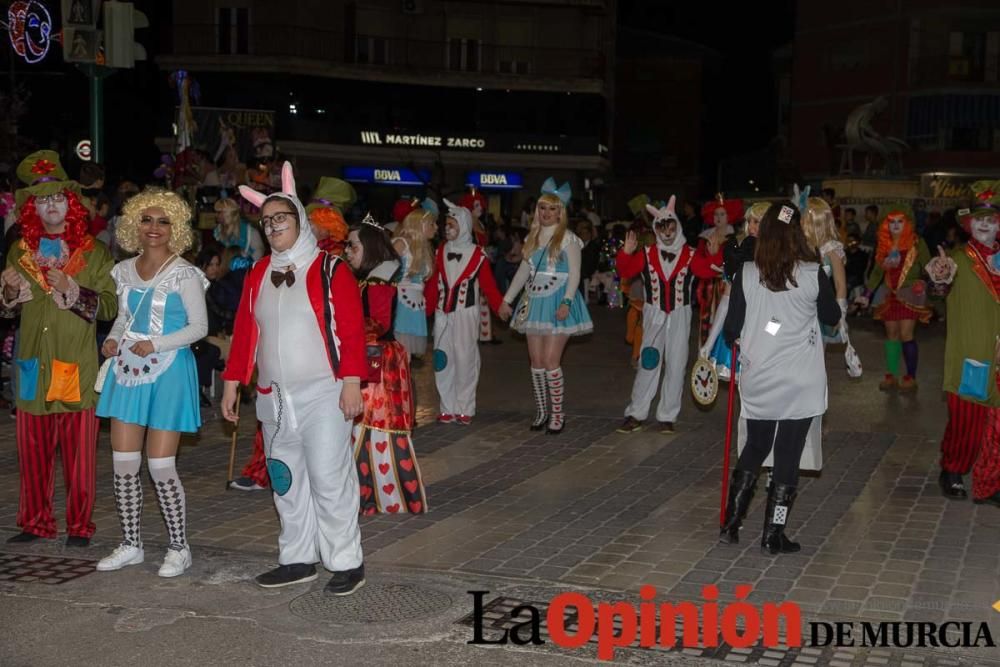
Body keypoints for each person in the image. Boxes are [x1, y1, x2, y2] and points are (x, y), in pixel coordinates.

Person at [221, 162, 367, 594]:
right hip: (274, 397)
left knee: (328, 476)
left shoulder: (331, 269)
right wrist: (233, 381)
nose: (272, 227)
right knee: (285, 479)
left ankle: (345, 561)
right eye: (266, 222)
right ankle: (297, 558)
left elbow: (352, 331)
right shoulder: (257, 273)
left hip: (324, 392)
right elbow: (247, 332)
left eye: (280, 218)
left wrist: (352, 382)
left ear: (299, 219)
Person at [1, 151, 117, 546]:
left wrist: (75, 291)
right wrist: (9, 293)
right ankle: (35, 522)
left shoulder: (94, 251)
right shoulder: (19, 252)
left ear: (70, 202)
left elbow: (111, 306)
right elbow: (7, 307)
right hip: (33, 363)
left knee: (79, 456)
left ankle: (80, 526)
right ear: (32, 208)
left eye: (57, 197)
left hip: (74, 365)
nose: (50, 205)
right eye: (41, 199)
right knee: (32, 452)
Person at [94, 189, 208, 577]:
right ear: (134, 225)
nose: (154, 227)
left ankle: (179, 547)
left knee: (161, 466)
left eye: (163, 221)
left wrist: (155, 343)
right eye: (146, 219)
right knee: (123, 464)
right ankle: (131, 544)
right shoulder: (123, 270)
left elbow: (199, 327)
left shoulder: (185, 273)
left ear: (175, 228)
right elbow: (126, 317)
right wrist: (113, 337)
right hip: (128, 371)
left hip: (170, 372)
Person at [720, 203, 841, 553]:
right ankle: (773, 535)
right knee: (788, 454)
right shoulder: (811, 271)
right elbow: (831, 315)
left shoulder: (745, 272)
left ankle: (732, 523)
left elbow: (732, 329)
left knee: (755, 446)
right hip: (801, 378)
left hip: (760, 376)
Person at [345, 217, 427, 514]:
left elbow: (377, 324)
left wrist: (343, 330)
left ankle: (378, 496)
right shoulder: (368, 278)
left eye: (352, 245)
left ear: (368, 247)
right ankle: (366, 493)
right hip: (370, 356)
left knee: (374, 424)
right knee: (363, 427)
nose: (347, 251)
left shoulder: (380, 280)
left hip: (379, 361)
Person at [498, 179, 593, 434]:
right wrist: (507, 299)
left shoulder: (569, 240)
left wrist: (567, 301)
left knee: (551, 360)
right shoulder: (533, 237)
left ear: (561, 212)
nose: (547, 213)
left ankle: (558, 414)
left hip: (558, 299)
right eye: (543, 208)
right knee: (536, 360)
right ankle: (541, 410)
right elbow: (523, 272)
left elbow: (575, 274)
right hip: (534, 300)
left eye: (552, 209)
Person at [925, 182, 1000, 503]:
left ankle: (991, 481)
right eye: (980, 218)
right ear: (969, 224)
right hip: (972, 354)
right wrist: (939, 279)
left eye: (992, 218)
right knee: (967, 418)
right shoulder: (956, 258)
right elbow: (939, 288)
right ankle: (952, 470)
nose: (985, 223)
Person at [615, 197, 716, 434]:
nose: (667, 233)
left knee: (677, 364)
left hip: (680, 314)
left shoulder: (691, 254)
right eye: (662, 228)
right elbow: (626, 271)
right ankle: (636, 413)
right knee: (648, 362)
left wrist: (713, 255)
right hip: (654, 314)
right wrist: (626, 253)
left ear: (677, 227)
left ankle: (668, 415)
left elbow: (708, 270)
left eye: (671, 227)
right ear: (656, 230)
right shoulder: (647, 253)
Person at [425, 199, 505, 425]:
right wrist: (426, 309)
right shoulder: (440, 251)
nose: (447, 228)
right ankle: (446, 407)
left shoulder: (477, 254)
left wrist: (500, 307)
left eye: (452, 224)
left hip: (466, 314)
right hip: (443, 315)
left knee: (466, 359)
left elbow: (489, 286)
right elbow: (433, 284)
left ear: (464, 226)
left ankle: (465, 407)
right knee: (442, 360)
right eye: (446, 224)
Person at [855, 205, 932, 392]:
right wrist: (866, 294)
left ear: (907, 223)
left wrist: (924, 282)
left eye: (900, 221)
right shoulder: (884, 244)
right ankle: (891, 376)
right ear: (885, 225)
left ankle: (911, 377)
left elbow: (929, 266)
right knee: (891, 336)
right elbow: (876, 273)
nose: (896, 225)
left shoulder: (917, 242)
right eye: (892, 222)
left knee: (906, 335)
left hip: (911, 293)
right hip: (890, 294)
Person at [698, 202, 771, 381]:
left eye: (758, 222)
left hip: (771, 331)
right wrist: (709, 341)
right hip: (743, 327)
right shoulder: (740, 255)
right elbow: (726, 301)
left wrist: (770, 335)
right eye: (750, 222)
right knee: (746, 390)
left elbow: (784, 307)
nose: (752, 227)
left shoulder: (782, 258)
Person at [693, 195, 743, 345]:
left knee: (724, 323)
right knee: (707, 326)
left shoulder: (736, 238)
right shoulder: (704, 238)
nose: (718, 217)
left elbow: (734, 264)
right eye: (716, 214)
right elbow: (697, 265)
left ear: (729, 216)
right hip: (707, 290)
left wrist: (715, 258)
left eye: (722, 214)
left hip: (727, 289)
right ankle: (705, 362)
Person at [392, 199, 436, 361]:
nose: (436, 227)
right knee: (399, 352)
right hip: (401, 303)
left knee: (407, 355)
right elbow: (385, 273)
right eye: (432, 224)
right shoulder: (401, 243)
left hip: (416, 304)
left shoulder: (423, 249)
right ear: (421, 225)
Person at [213, 197, 265, 262]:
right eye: (216, 212)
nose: (216, 215)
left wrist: (246, 265)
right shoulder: (218, 231)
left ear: (229, 213)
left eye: (220, 212)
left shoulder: (250, 231)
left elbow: (259, 251)